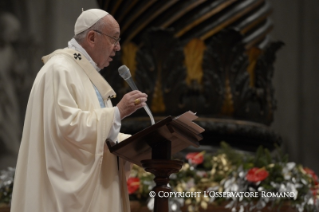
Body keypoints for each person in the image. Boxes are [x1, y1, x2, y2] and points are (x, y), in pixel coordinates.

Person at [10, 9, 147, 212]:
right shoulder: (60, 70)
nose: (118, 47)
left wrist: (132, 143)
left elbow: (96, 133)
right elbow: (66, 128)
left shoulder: (86, 74)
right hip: (64, 198)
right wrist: (117, 112)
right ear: (92, 37)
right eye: (114, 39)